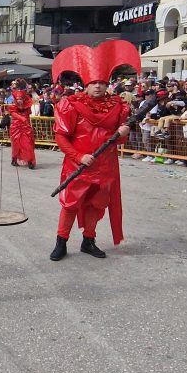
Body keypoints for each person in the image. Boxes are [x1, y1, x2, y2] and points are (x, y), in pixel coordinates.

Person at [48, 42, 135, 261]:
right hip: (78, 165)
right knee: (69, 204)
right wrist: (78, 156)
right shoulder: (70, 104)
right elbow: (60, 135)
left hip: (105, 165)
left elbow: (119, 140)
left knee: (96, 207)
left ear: (107, 84)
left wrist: (123, 131)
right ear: (85, 84)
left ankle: (89, 240)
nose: (97, 86)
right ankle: (61, 242)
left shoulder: (118, 106)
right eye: (94, 82)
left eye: (102, 82)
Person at [9, 86, 36, 169]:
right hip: (16, 128)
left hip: (26, 128)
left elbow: (28, 115)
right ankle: (14, 159)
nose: (19, 101)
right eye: (18, 99)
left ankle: (30, 160)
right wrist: (22, 118)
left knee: (28, 144)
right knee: (16, 145)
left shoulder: (27, 106)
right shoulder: (13, 106)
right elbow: (14, 114)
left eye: (21, 99)